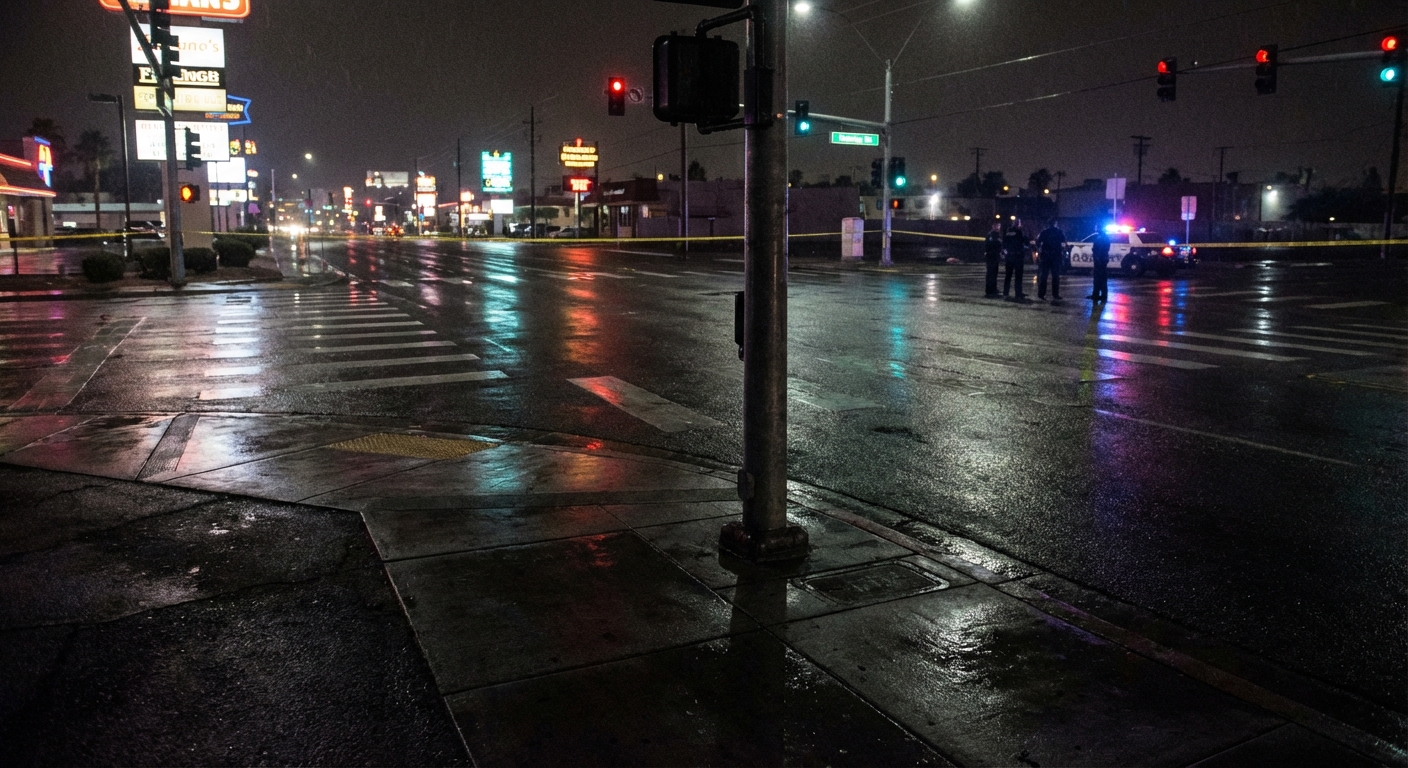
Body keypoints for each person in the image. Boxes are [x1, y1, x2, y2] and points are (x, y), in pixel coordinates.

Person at [1035, 218, 1066, 301]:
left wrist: (1040, 250)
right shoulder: (1059, 232)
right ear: (1055, 223)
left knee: (1043, 276)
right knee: (1055, 276)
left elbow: (1038, 242)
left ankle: (1041, 294)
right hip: (1055, 256)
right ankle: (1055, 294)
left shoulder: (1044, 232)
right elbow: (1063, 242)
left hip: (1045, 256)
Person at [1002, 219, 1028, 299]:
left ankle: (1005, 292)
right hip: (1018, 256)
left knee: (1008, 275)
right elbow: (1023, 242)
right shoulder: (1019, 232)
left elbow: (1004, 243)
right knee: (1018, 276)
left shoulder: (1007, 232)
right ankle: (1018, 293)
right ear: (1018, 224)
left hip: (1009, 256)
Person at [1089, 228, 1112, 302]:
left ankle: (1097, 294)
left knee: (1098, 278)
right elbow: (1106, 248)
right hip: (1103, 259)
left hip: (1099, 260)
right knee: (1102, 278)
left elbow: (1097, 249)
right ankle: (1101, 294)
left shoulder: (1099, 238)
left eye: (1097, 227)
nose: (1095, 228)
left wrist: (1097, 258)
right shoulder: (1106, 237)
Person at [983, 222, 1003, 296]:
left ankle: (994, 288)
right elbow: (991, 244)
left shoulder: (997, 235)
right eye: (997, 226)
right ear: (993, 226)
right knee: (990, 273)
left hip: (995, 256)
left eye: (999, 226)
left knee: (994, 273)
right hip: (991, 256)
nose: (998, 227)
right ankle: (989, 290)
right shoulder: (991, 234)